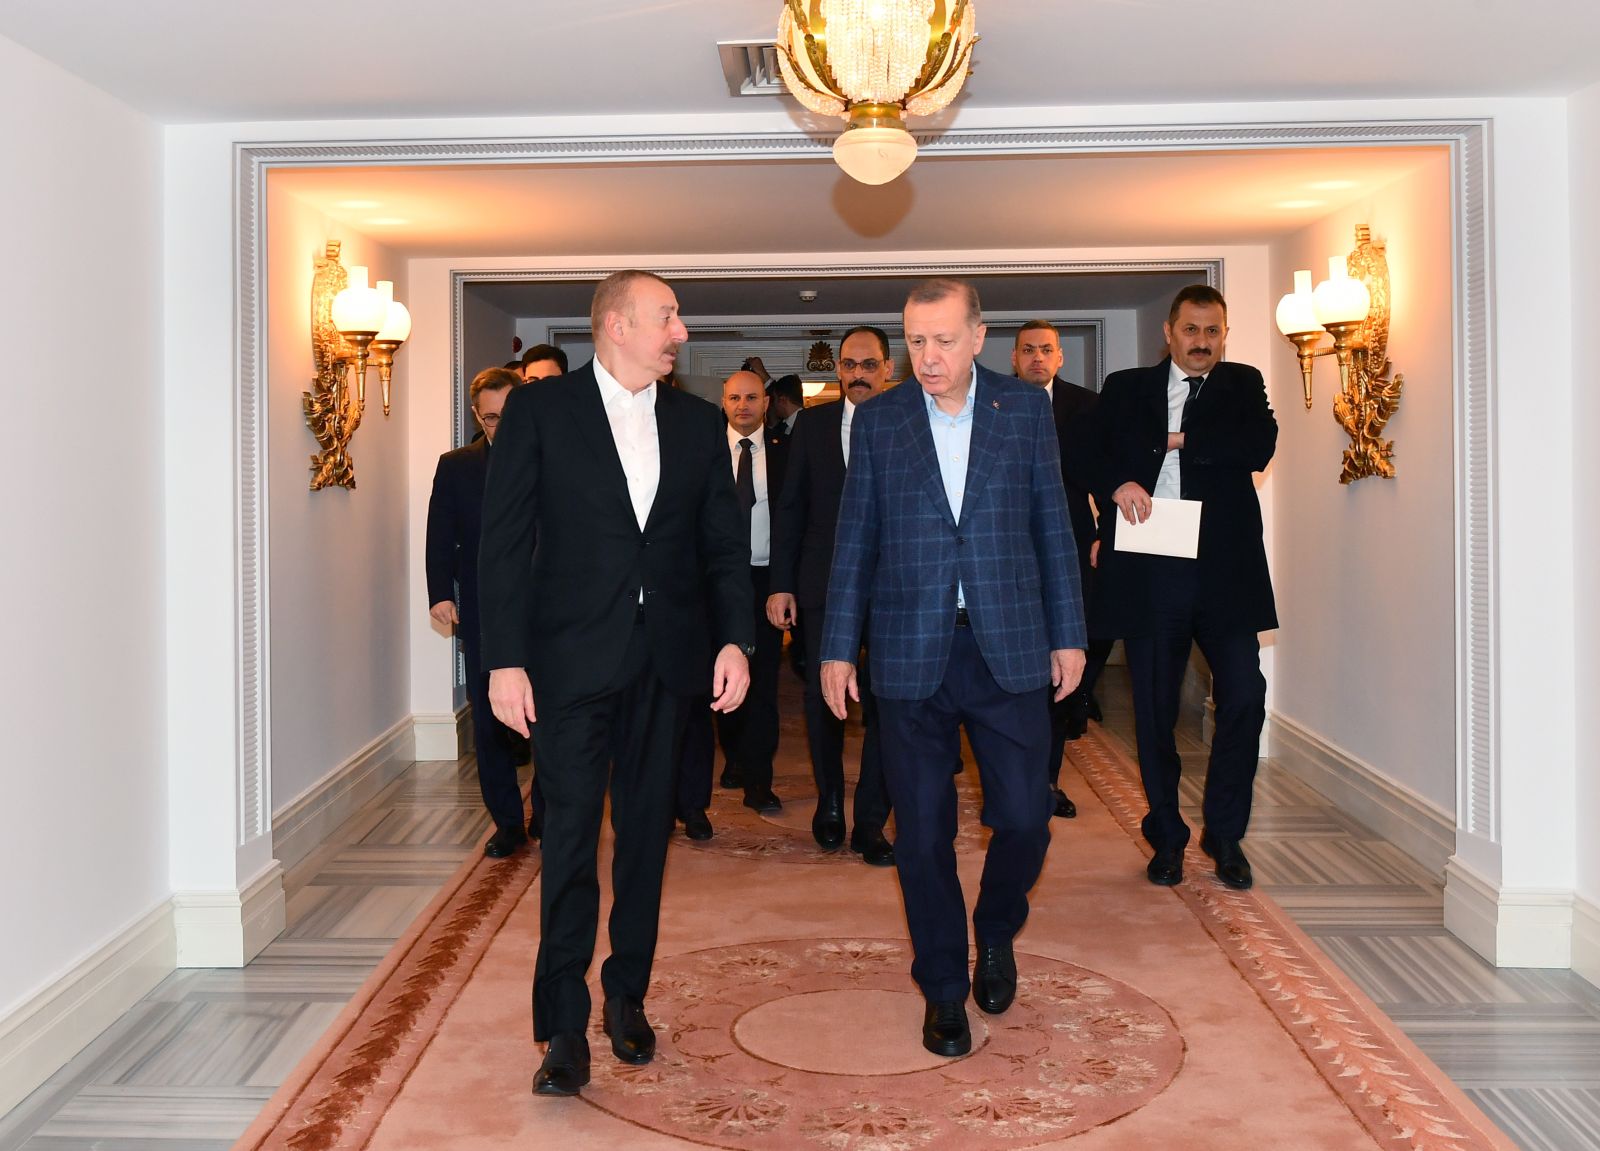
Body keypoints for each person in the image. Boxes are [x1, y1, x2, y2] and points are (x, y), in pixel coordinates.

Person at [478, 270, 754, 1098]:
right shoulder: (540, 411)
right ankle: (563, 1024)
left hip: (666, 663)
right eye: (668, 316)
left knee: (643, 840)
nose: (681, 331)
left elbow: (722, 546)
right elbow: (503, 541)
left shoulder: (698, 423)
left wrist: (735, 639)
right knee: (567, 841)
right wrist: (503, 659)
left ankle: (626, 991)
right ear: (616, 325)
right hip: (567, 664)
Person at [821, 279, 1086, 1058]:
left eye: (942, 339)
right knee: (922, 832)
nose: (928, 356)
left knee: (1026, 817)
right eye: (916, 341)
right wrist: (836, 646)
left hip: (1009, 645)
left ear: (977, 336)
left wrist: (1069, 633)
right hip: (910, 650)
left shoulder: (1024, 410)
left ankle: (995, 928)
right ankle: (942, 985)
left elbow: (1053, 525)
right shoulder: (881, 420)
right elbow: (856, 538)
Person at [1090, 284, 1277, 891]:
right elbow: (1092, 452)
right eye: (1191, 330)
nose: (1202, 342)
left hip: (1224, 569)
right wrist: (1119, 481)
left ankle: (1224, 833)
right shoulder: (1126, 387)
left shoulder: (1242, 384)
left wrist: (1176, 441)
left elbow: (1258, 446)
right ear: (1168, 332)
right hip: (1152, 565)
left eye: (1212, 331)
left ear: (1225, 335)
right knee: (1154, 708)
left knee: (1245, 695)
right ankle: (1166, 835)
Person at [768, 325, 894, 865]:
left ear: (888, 369)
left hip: (894, 589)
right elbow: (790, 508)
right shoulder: (813, 426)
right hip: (823, 586)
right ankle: (831, 802)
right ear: (838, 370)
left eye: (869, 365)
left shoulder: (909, 422)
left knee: (888, 703)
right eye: (849, 365)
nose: (857, 374)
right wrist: (781, 583)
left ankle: (871, 820)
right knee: (825, 698)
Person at [425, 366, 540, 856]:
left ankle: (548, 814)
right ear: (477, 415)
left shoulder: (551, 458)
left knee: (550, 717)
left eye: (508, 414)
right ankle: (508, 823)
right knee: (490, 722)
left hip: (547, 610)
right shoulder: (457, 466)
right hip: (483, 611)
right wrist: (440, 593)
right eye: (491, 418)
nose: (500, 425)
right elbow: (439, 534)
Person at [1011, 320, 1113, 819]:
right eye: (1028, 350)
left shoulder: (1087, 406)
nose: (1037, 357)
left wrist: (1105, 534)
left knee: (1068, 659)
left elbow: (1109, 474)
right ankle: (1010, 777)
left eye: (1046, 349)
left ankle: (1048, 781)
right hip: (1006, 554)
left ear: (1060, 357)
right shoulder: (991, 402)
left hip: (1070, 551)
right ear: (1014, 358)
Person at [686, 370, 786, 822]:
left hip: (766, 583)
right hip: (712, 585)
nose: (742, 405)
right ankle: (734, 758)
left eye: (751, 397)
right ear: (723, 403)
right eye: (734, 398)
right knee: (717, 680)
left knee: (762, 683)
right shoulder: (701, 451)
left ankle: (759, 781)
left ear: (766, 403)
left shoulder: (787, 453)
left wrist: (786, 584)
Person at [767, 372, 804, 438]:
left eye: (775, 400)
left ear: (782, 400)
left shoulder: (810, 423)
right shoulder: (781, 427)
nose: (774, 405)